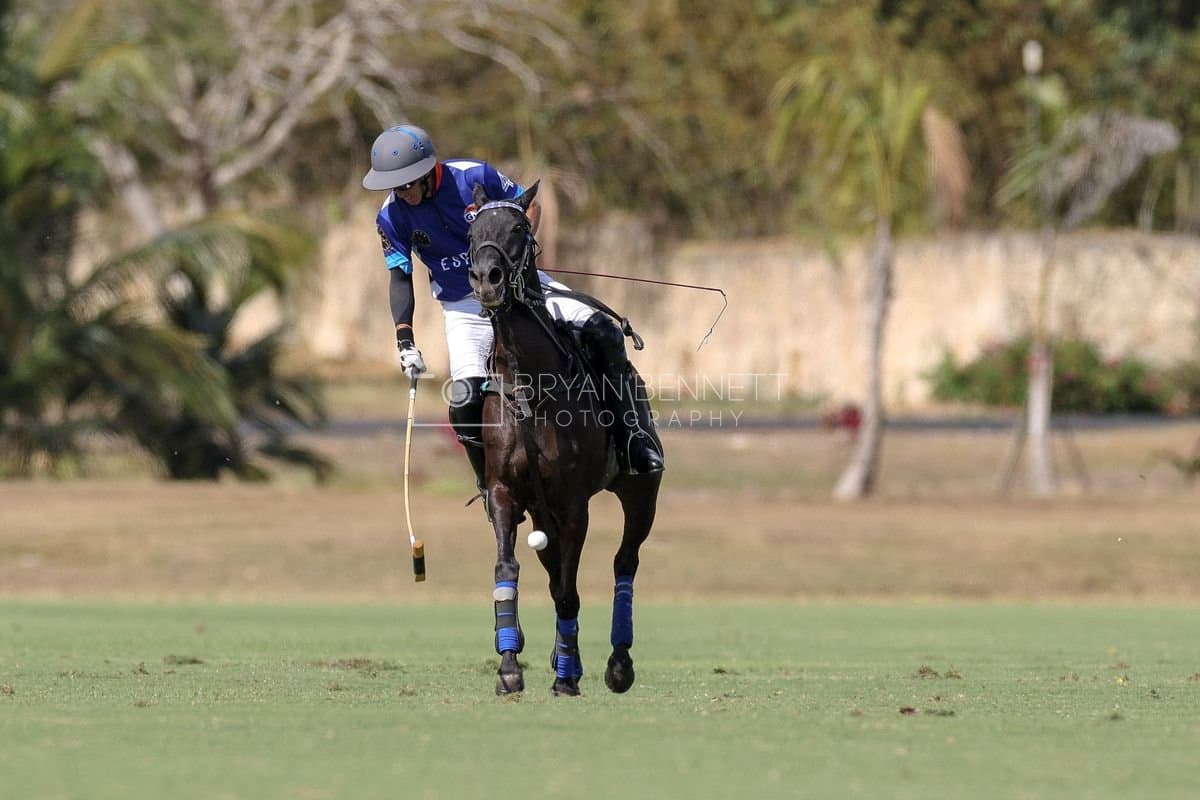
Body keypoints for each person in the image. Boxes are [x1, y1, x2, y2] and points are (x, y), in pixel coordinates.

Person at [361, 124, 664, 508]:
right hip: (464, 306)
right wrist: (405, 342)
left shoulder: (474, 176)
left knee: (603, 331)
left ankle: (632, 438)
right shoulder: (391, 216)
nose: (401, 193)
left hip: (520, 289)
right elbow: (400, 276)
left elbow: (528, 205)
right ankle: (488, 484)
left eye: (406, 184)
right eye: (395, 186)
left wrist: (522, 261)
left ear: (426, 173)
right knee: (464, 399)